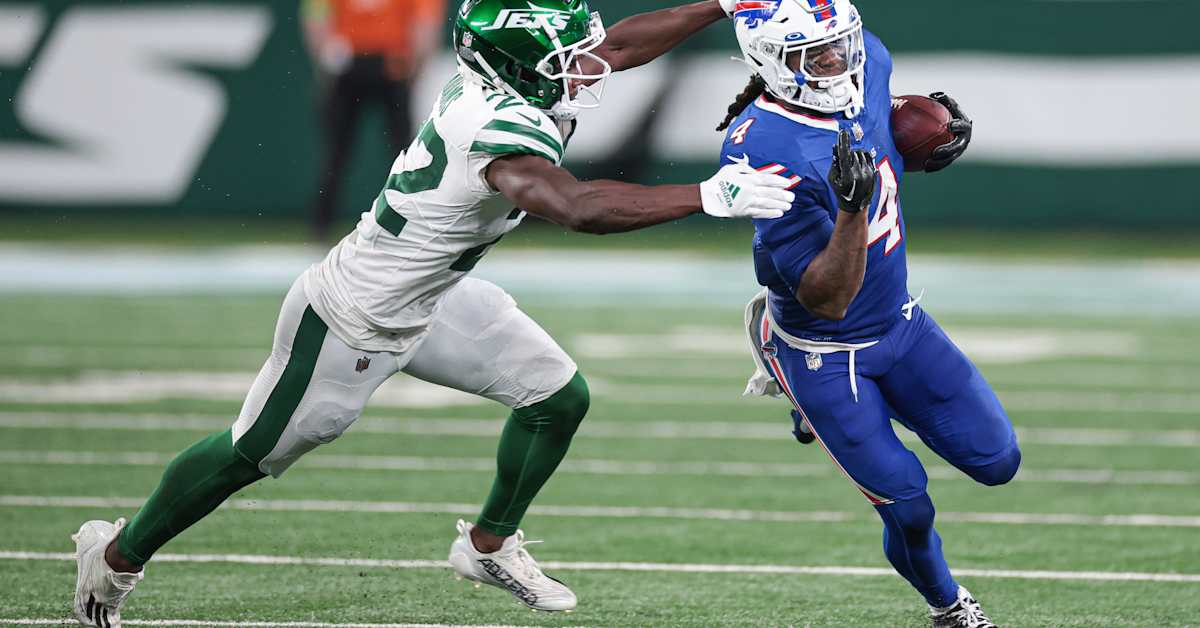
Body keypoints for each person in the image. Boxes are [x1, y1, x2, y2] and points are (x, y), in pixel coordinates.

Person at [70, 1, 796, 626]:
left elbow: (618, 46)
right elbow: (575, 207)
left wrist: (724, 4)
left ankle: (489, 547)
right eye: (566, 59)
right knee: (249, 454)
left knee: (555, 396)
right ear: (517, 69)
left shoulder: (515, 80)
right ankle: (114, 558)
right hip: (358, 314)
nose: (587, 67)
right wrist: (705, 195)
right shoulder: (498, 125)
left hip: (436, 291)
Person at [718, 1, 1018, 627]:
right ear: (770, 60)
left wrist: (917, 138)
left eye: (840, 43)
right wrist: (852, 211)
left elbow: (879, 123)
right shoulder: (763, 147)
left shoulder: (869, 61)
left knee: (997, 462)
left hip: (900, 322)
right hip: (824, 350)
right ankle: (948, 606)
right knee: (909, 506)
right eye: (814, 53)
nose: (836, 59)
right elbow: (827, 298)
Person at [303, 0, 446, 241]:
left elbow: (315, 20)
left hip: (368, 63)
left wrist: (324, 62)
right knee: (402, 154)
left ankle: (321, 225)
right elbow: (426, 29)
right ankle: (414, 221)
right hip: (383, 63)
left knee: (343, 152)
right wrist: (414, 71)